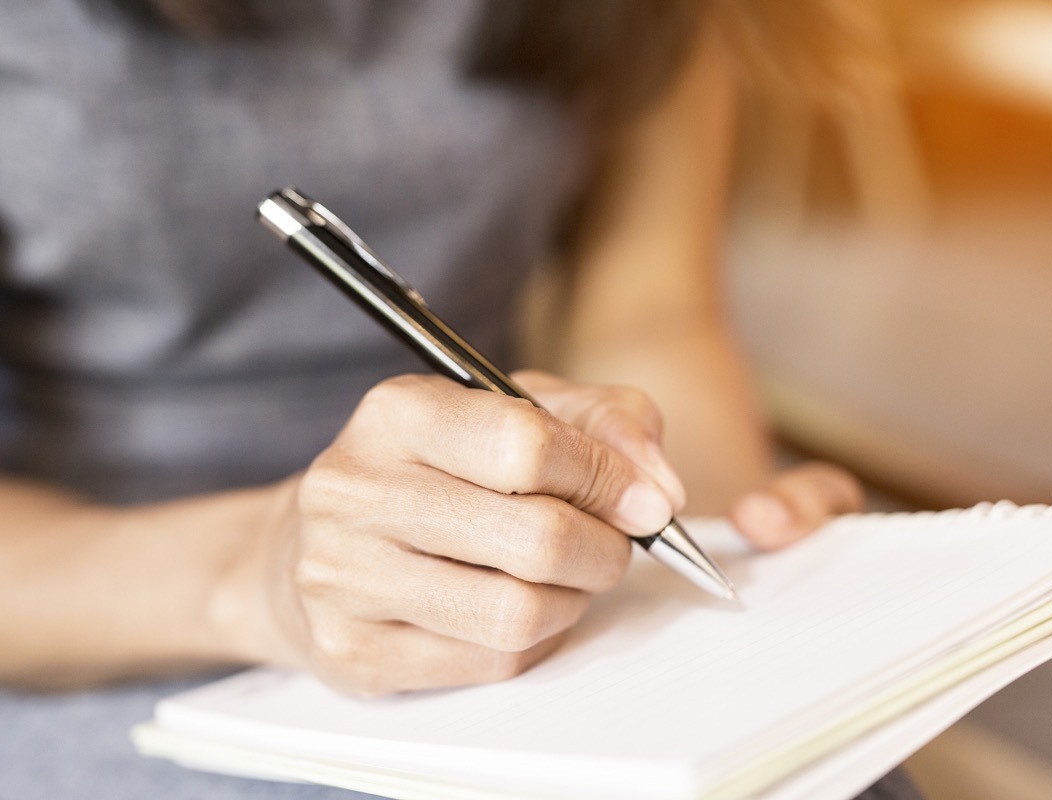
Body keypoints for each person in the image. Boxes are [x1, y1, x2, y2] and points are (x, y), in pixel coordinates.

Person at [0, 1, 921, 797]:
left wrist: (711, 525)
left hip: (514, 574)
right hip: (96, 622)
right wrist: (259, 578)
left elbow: (649, 315)